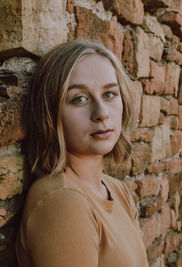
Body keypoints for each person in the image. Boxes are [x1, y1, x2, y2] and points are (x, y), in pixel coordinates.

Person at [16, 39, 149, 267]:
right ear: (51, 112)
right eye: (79, 99)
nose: (101, 113)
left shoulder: (118, 191)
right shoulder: (62, 199)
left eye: (109, 94)